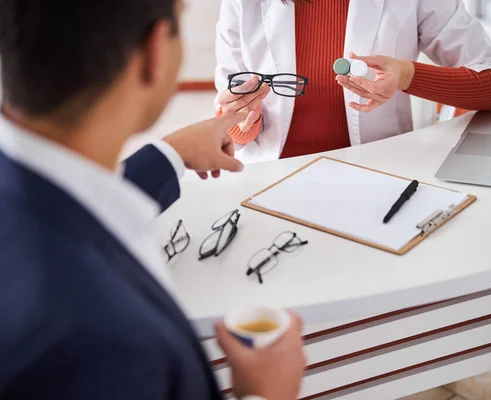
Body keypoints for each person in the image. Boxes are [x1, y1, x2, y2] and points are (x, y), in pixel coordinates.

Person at [0, 1, 306, 399]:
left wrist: (169, 155)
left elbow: (71, 202)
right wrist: (266, 394)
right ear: (156, 50)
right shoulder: (103, 341)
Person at [214, 0, 491, 163]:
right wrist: (241, 120)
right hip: (272, 177)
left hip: (378, 176)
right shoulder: (241, 3)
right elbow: (234, 135)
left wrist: (406, 75)